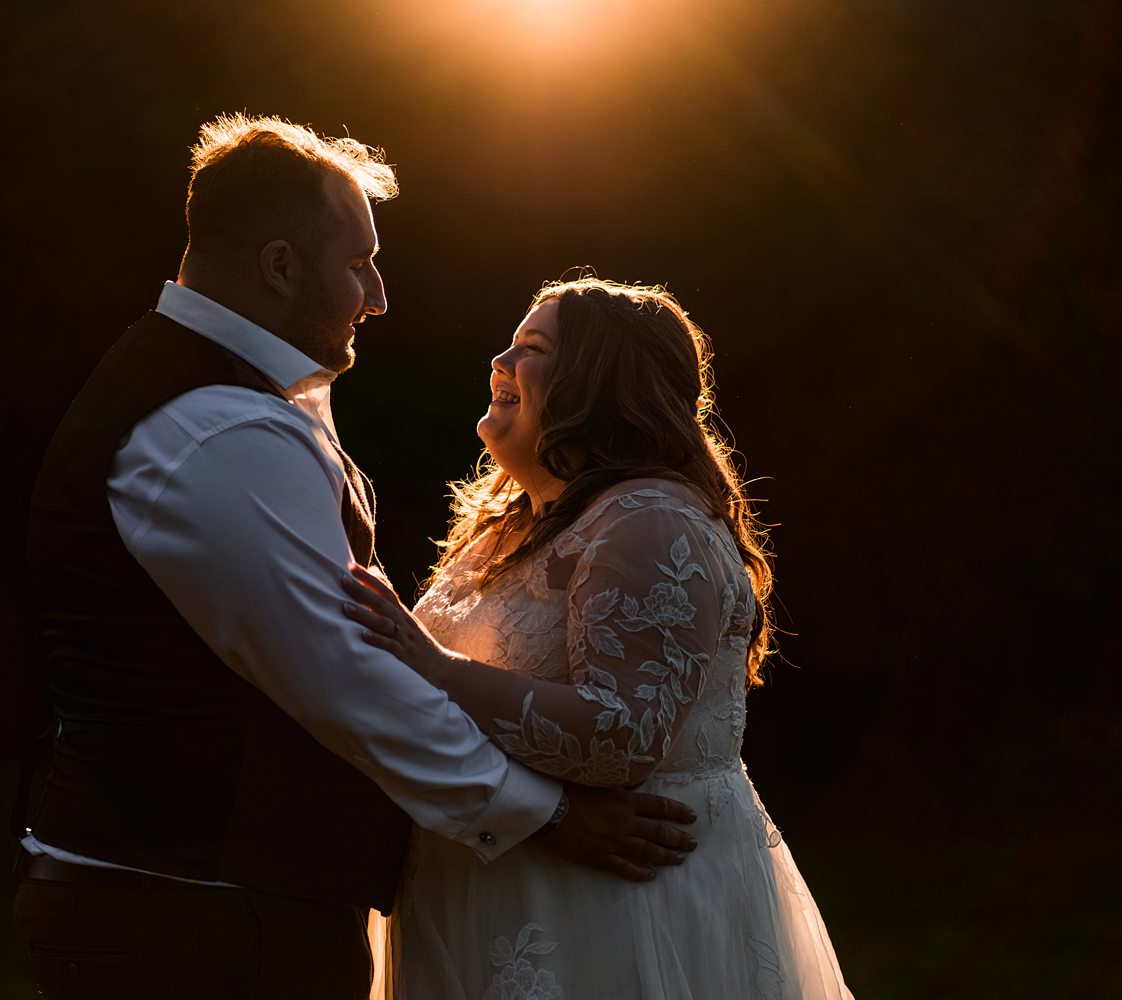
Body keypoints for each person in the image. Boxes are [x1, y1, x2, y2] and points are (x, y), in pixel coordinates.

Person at [12, 116, 696, 999]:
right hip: (192, 913)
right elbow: (340, 672)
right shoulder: (219, 424)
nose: (377, 296)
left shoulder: (228, 396)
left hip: (207, 898)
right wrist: (549, 815)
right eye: (359, 262)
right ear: (281, 267)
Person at [343, 277, 856, 998]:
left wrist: (435, 667)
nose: (499, 361)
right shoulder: (514, 526)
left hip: (611, 914)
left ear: (603, 382)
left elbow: (623, 735)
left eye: (533, 349)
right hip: (498, 897)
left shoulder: (649, 519)